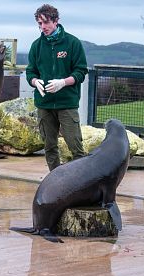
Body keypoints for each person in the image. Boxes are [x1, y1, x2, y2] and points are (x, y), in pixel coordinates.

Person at [26, 4, 88, 171]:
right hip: (44, 104)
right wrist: (34, 81)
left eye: (46, 22)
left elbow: (81, 71)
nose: (42, 27)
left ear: (56, 21)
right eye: (39, 23)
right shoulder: (36, 46)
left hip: (67, 103)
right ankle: (55, 179)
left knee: (75, 147)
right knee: (49, 146)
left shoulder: (72, 43)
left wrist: (63, 82)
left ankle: (82, 181)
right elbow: (31, 72)